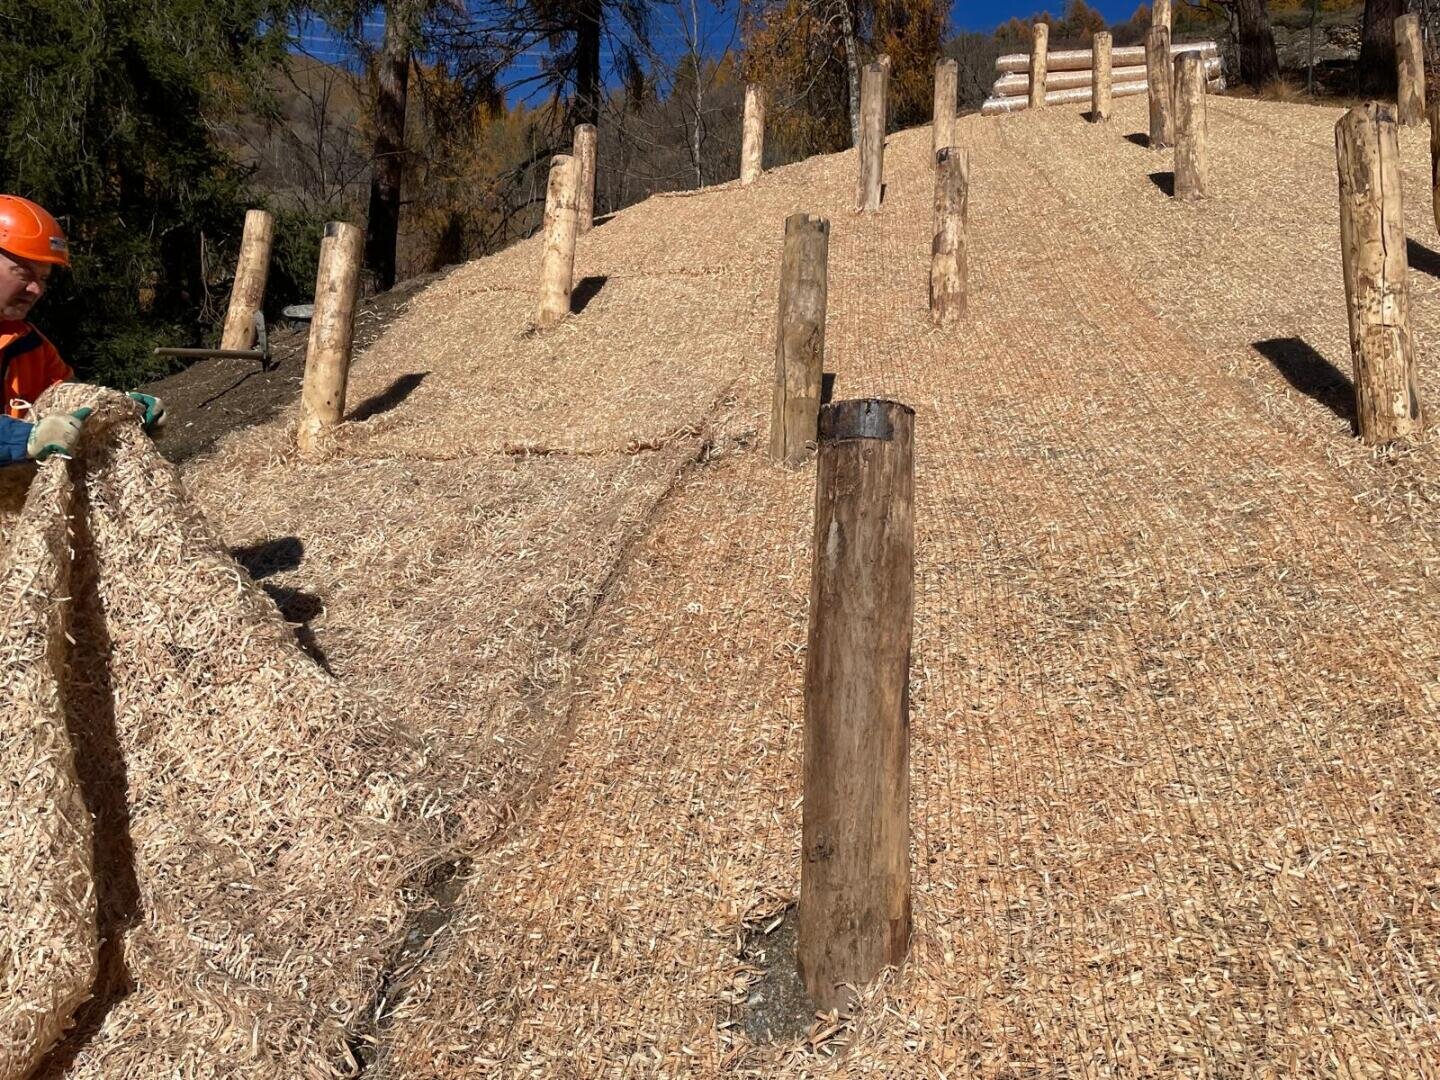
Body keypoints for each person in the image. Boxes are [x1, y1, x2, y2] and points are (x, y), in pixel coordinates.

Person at [0, 194, 162, 465]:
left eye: (43, 278)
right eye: (24, 273)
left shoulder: (29, 344)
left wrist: (121, 409)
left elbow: (70, 399)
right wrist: (25, 439)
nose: (36, 290)